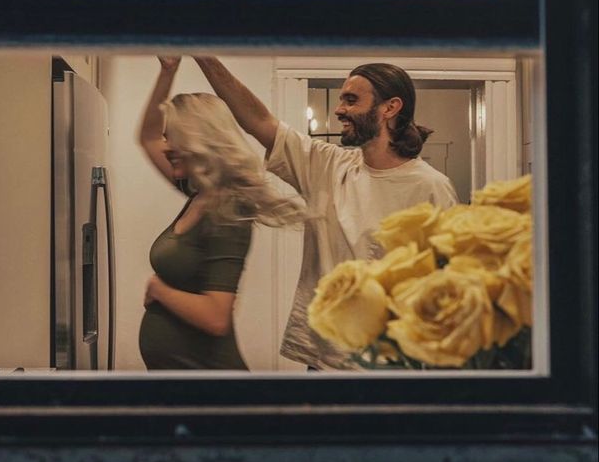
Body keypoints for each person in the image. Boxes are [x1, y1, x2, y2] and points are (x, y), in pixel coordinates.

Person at [193, 57, 459, 370]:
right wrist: (203, 56)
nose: (338, 109)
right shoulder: (328, 165)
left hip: (387, 365)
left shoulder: (430, 187)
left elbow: (447, 290)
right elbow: (258, 121)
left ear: (390, 108)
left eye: (351, 99)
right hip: (322, 360)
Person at [137, 57, 305, 370]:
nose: (165, 146)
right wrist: (167, 71)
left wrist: (159, 290)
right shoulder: (199, 193)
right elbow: (147, 136)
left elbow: (217, 318)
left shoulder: (229, 211)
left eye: (171, 136)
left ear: (196, 141)